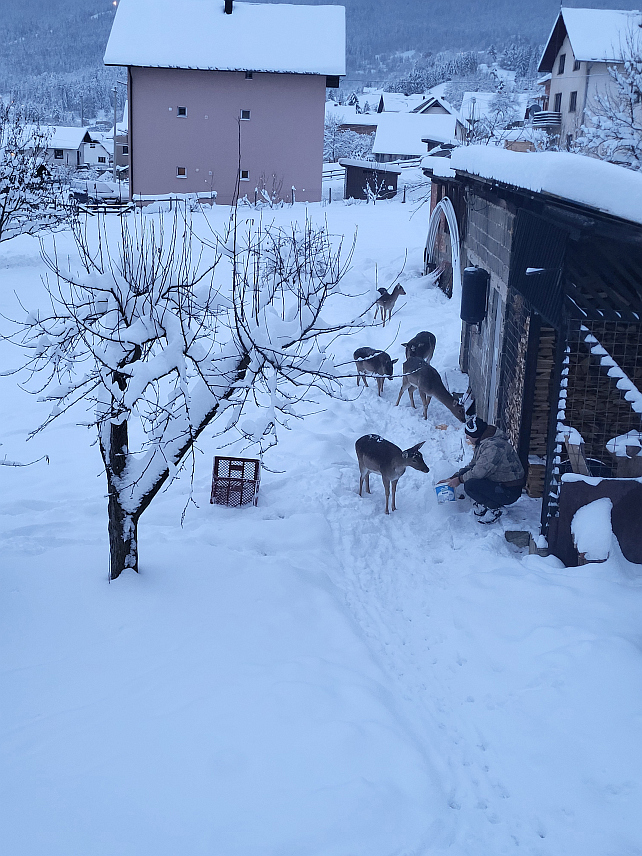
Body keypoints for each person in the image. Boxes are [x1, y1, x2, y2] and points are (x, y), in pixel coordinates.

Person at [438, 415, 525, 523]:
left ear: (476, 435)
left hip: (509, 491)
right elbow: (472, 466)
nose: (466, 438)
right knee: (466, 474)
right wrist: (453, 478)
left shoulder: (493, 447)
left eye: (468, 435)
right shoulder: (484, 442)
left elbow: (478, 472)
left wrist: (459, 480)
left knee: (471, 485)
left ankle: (495, 509)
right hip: (500, 484)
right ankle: (486, 504)